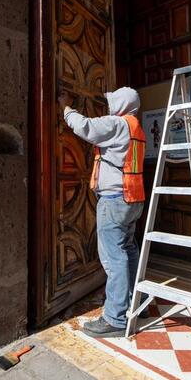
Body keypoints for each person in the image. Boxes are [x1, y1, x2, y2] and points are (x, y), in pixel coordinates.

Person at [58, 87, 146, 338]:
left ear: (121, 104)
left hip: (115, 199)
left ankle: (115, 318)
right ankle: (133, 302)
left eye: (112, 101)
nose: (109, 106)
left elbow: (86, 127)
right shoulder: (135, 126)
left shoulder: (117, 124)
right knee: (128, 251)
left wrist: (66, 108)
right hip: (132, 199)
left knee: (113, 258)